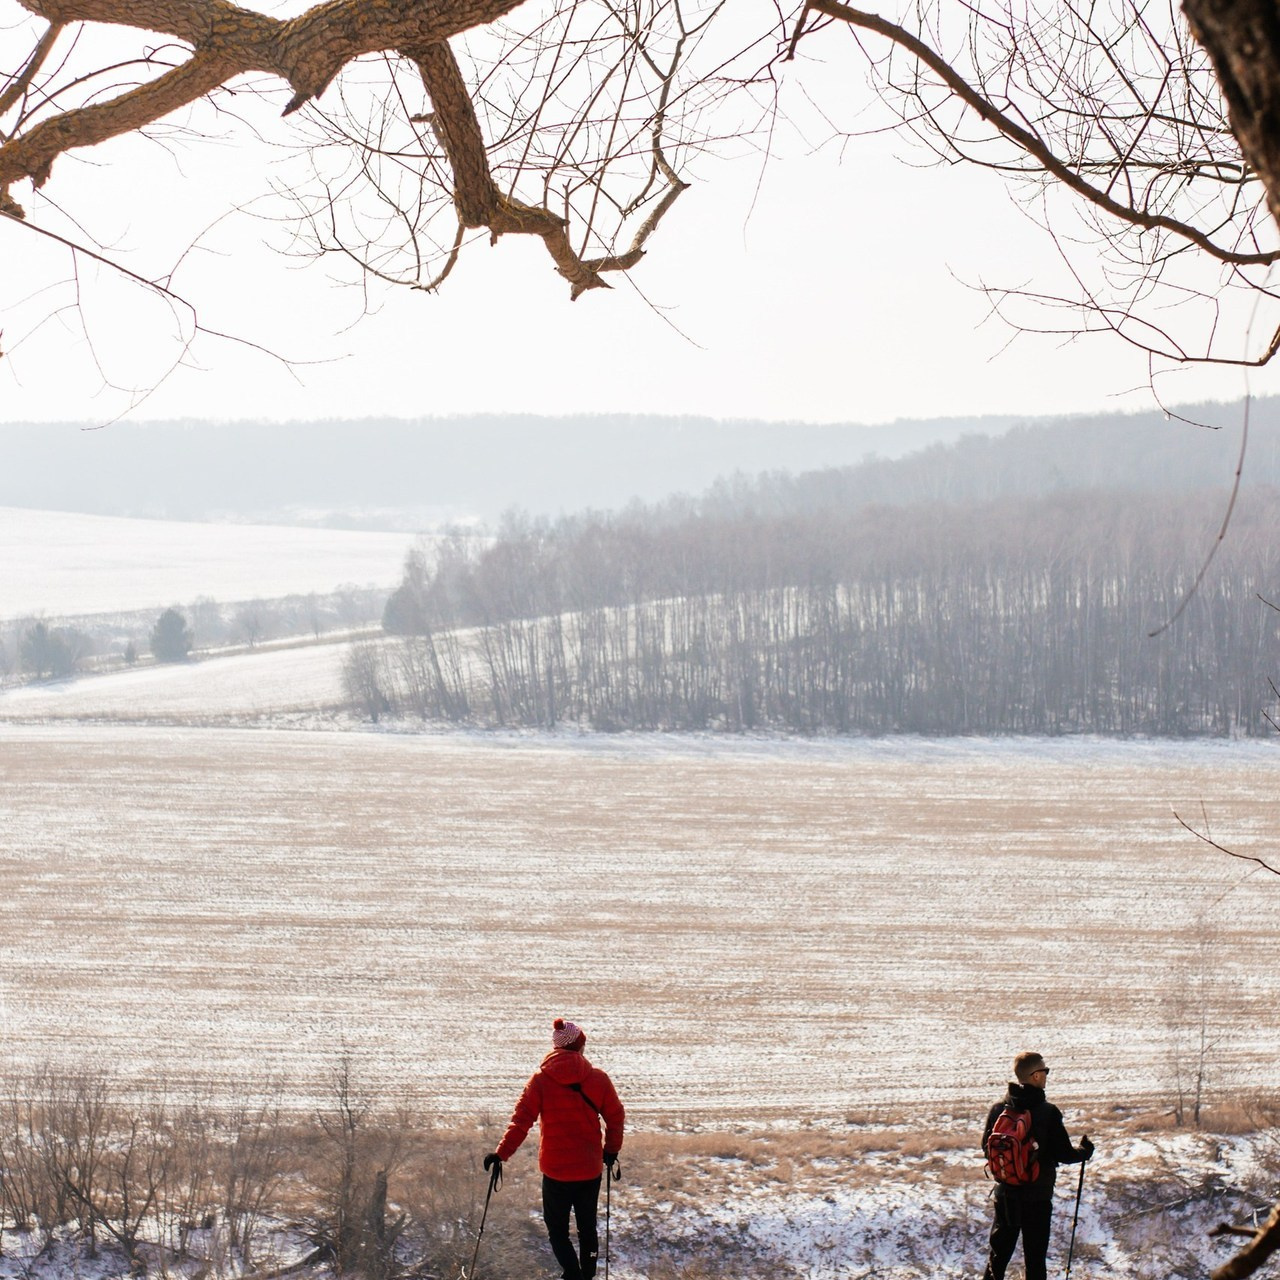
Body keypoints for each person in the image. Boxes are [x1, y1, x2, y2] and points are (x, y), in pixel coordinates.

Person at [485, 1018, 625, 1280]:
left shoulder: (540, 1080)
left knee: (557, 1231)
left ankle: (572, 1274)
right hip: (589, 1168)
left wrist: (501, 1153)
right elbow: (616, 1117)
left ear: (556, 1048)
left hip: (556, 1172)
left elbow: (521, 1121)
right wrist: (611, 1151)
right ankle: (587, 1276)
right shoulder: (599, 1079)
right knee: (587, 1228)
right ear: (579, 1046)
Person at [981, 1051, 1094, 1280]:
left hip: (1005, 1195)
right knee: (1035, 1260)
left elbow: (986, 1147)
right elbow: (1064, 1154)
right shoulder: (1047, 1112)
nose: (1046, 1075)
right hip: (1037, 1197)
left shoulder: (998, 1109)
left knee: (998, 1258)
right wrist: (1085, 1152)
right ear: (1035, 1076)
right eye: (1045, 1071)